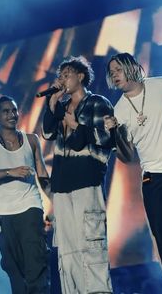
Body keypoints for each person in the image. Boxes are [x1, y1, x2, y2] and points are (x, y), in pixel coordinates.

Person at [104, 52, 162, 294]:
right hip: (154, 178)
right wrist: (115, 134)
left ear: (132, 67)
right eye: (111, 72)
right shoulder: (119, 110)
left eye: (117, 69)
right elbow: (127, 157)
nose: (114, 75)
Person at [42, 55, 114, 294]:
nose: (61, 80)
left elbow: (105, 139)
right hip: (62, 186)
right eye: (59, 76)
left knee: (90, 246)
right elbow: (48, 134)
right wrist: (52, 103)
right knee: (68, 250)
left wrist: (76, 127)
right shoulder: (62, 107)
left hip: (86, 182)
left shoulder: (97, 103)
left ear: (80, 76)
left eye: (66, 75)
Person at [0, 95, 51, 294]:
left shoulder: (31, 139)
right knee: (13, 266)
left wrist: (55, 202)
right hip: (4, 211)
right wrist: (10, 172)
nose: (12, 114)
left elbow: (42, 174)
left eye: (14, 110)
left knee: (35, 261)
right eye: (6, 111)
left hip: (30, 206)